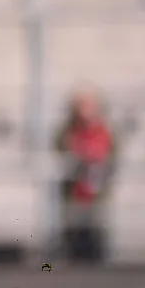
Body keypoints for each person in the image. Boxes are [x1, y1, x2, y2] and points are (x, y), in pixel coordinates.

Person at [55, 92, 116, 263]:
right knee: (73, 234)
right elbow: (61, 154)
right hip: (75, 193)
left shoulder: (103, 132)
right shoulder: (68, 132)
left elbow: (111, 157)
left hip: (95, 194)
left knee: (96, 233)